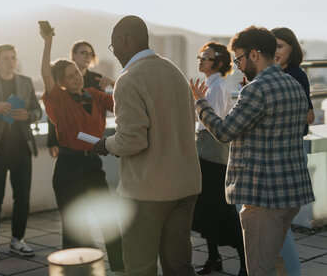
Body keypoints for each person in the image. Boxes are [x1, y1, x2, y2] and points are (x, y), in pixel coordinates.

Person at [190, 26, 315, 276]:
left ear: (254, 55)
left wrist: (201, 104)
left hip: (262, 196)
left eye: (238, 58)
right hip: (290, 191)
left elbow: (224, 131)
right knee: (277, 262)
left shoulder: (255, 89)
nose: (237, 65)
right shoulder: (293, 84)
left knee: (259, 267)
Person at [93, 15, 201, 276]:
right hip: (186, 185)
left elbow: (132, 140)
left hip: (147, 193)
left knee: (139, 267)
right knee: (179, 266)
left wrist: (105, 144)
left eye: (113, 46)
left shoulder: (129, 79)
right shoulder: (173, 70)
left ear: (124, 40)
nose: (115, 52)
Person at [40, 25, 124, 273]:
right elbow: (45, 73)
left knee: (108, 221)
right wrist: (47, 43)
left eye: (76, 72)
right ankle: (74, 271)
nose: (76, 76)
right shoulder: (59, 99)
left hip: (92, 165)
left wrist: (116, 84)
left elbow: (124, 103)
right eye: (70, 75)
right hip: (67, 168)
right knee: (74, 227)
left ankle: (121, 267)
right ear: (61, 82)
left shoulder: (95, 94)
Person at [0, 44, 42, 261]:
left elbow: (37, 110)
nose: (10, 61)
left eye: (13, 57)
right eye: (5, 58)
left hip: (22, 146)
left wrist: (28, 115)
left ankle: (17, 240)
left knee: (22, 197)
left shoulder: (25, 82)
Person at [191, 42, 247, 276]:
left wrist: (197, 103)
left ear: (220, 62)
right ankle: (215, 257)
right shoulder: (212, 84)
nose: (201, 60)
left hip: (212, 154)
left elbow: (209, 120)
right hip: (207, 152)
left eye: (207, 57)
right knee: (207, 208)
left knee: (219, 209)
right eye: (200, 56)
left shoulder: (217, 86)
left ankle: (244, 263)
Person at [272, 27, 315, 276]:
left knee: (279, 225)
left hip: (289, 152)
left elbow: (308, 114)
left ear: (292, 49)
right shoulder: (280, 74)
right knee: (276, 226)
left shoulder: (295, 74)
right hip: (283, 151)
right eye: (272, 46)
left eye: (280, 46)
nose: (275, 52)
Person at [46, 40, 114, 158]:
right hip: (71, 144)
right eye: (83, 52)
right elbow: (54, 113)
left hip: (93, 142)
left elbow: (111, 106)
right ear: (73, 55)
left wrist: (114, 84)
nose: (88, 56)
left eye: (90, 54)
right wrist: (52, 141)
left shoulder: (97, 80)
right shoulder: (59, 82)